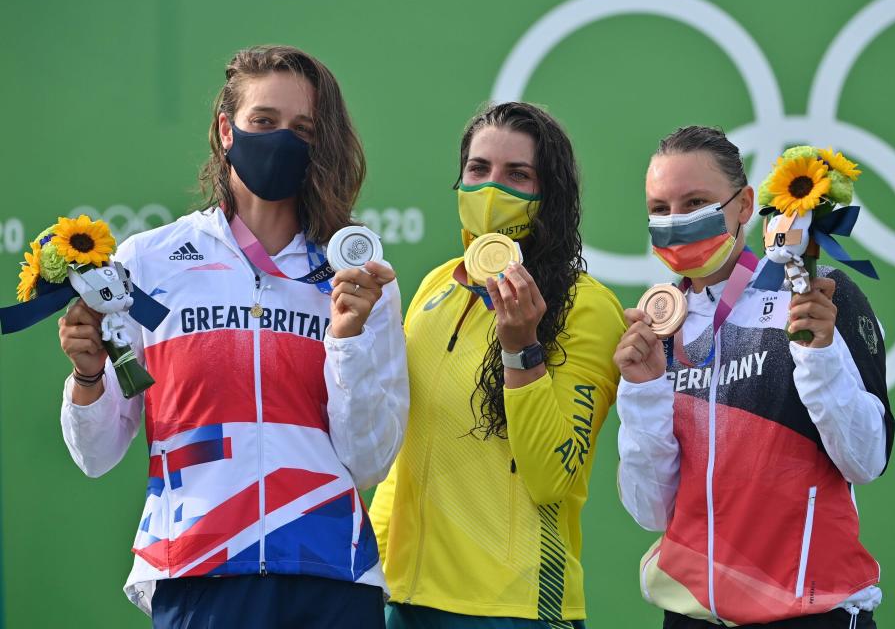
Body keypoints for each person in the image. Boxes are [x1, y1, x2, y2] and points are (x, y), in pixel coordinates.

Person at [57, 45, 408, 628]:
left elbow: (368, 459)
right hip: (199, 568)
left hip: (329, 571)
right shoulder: (149, 263)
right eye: (263, 122)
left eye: (303, 129)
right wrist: (88, 376)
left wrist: (346, 341)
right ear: (226, 130)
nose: (281, 140)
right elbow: (96, 456)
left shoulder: (356, 277)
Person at [615, 126, 894, 628]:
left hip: (809, 612)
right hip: (691, 614)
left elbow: (867, 459)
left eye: (696, 201)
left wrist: (819, 354)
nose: (676, 222)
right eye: (660, 209)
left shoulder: (818, 294)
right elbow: (650, 512)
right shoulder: (659, 325)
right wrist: (642, 391)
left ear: (745, 205)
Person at [368, 102, 625, 628]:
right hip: (406, 603)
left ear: (549, 195)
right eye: (478, 170)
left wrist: (521, 348)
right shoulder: (435, 287)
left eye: (518, 175)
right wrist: (369, 567)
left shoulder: (587, 307)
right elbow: (407, 453)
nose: (492, 189)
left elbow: (554, 476)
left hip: (515, 608)